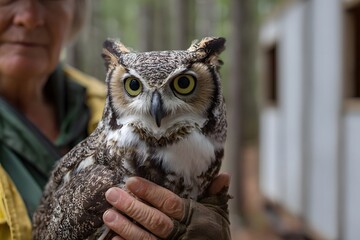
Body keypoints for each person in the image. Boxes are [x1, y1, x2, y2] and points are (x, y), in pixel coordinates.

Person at [0, 0, 231, 240]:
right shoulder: (100, 174)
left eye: (184, 84)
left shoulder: (103, 102)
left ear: (74, 11)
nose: (28, 17)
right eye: (134, 86)